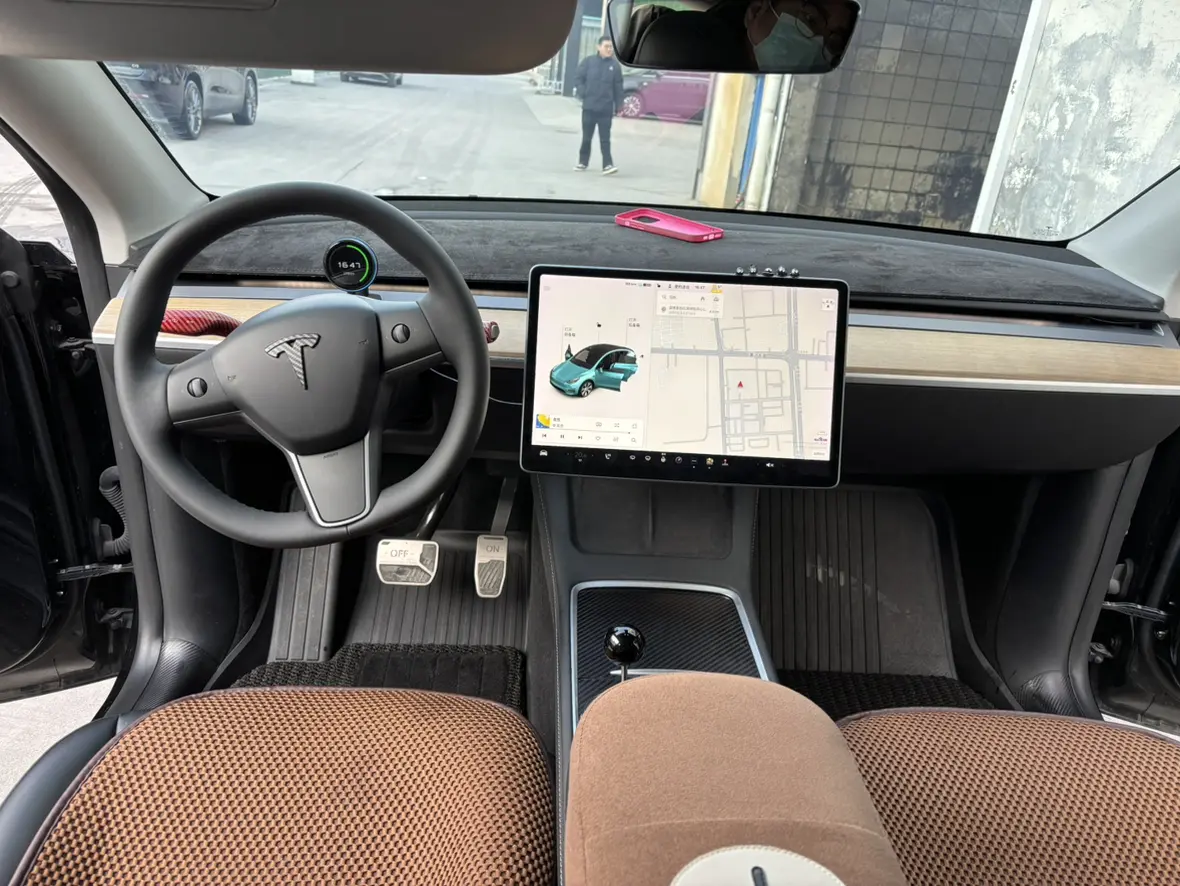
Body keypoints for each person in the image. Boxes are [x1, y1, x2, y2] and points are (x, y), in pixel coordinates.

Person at [573, 36, 624, 175]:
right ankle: (582, 162)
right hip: (589, 108)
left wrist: (619, 106)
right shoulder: (588, 62)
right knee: (586, 138)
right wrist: (583, 92)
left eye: (611, 47)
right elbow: (578, 78)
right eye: (606, 46)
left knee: (605, 139)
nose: (609, 49)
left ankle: (607, 165)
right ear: (599, 47)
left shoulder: (615, 66)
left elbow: (618, 88)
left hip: (605, 109)